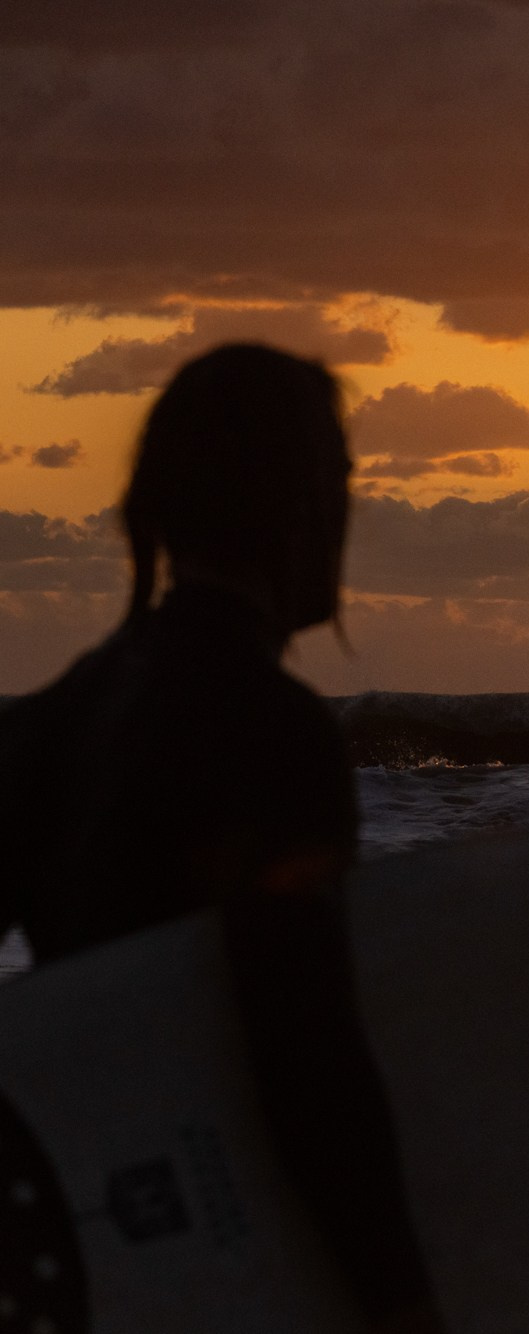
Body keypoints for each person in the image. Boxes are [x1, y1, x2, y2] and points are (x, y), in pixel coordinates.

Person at [0, 345, 441, 1332]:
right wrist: (401, 1304)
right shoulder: (266, 727)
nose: (346, 510)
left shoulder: (52, 719)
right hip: (238, 1256)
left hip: (111, 1257)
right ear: (294, 503)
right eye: (339, 477)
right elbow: (304, 1049)